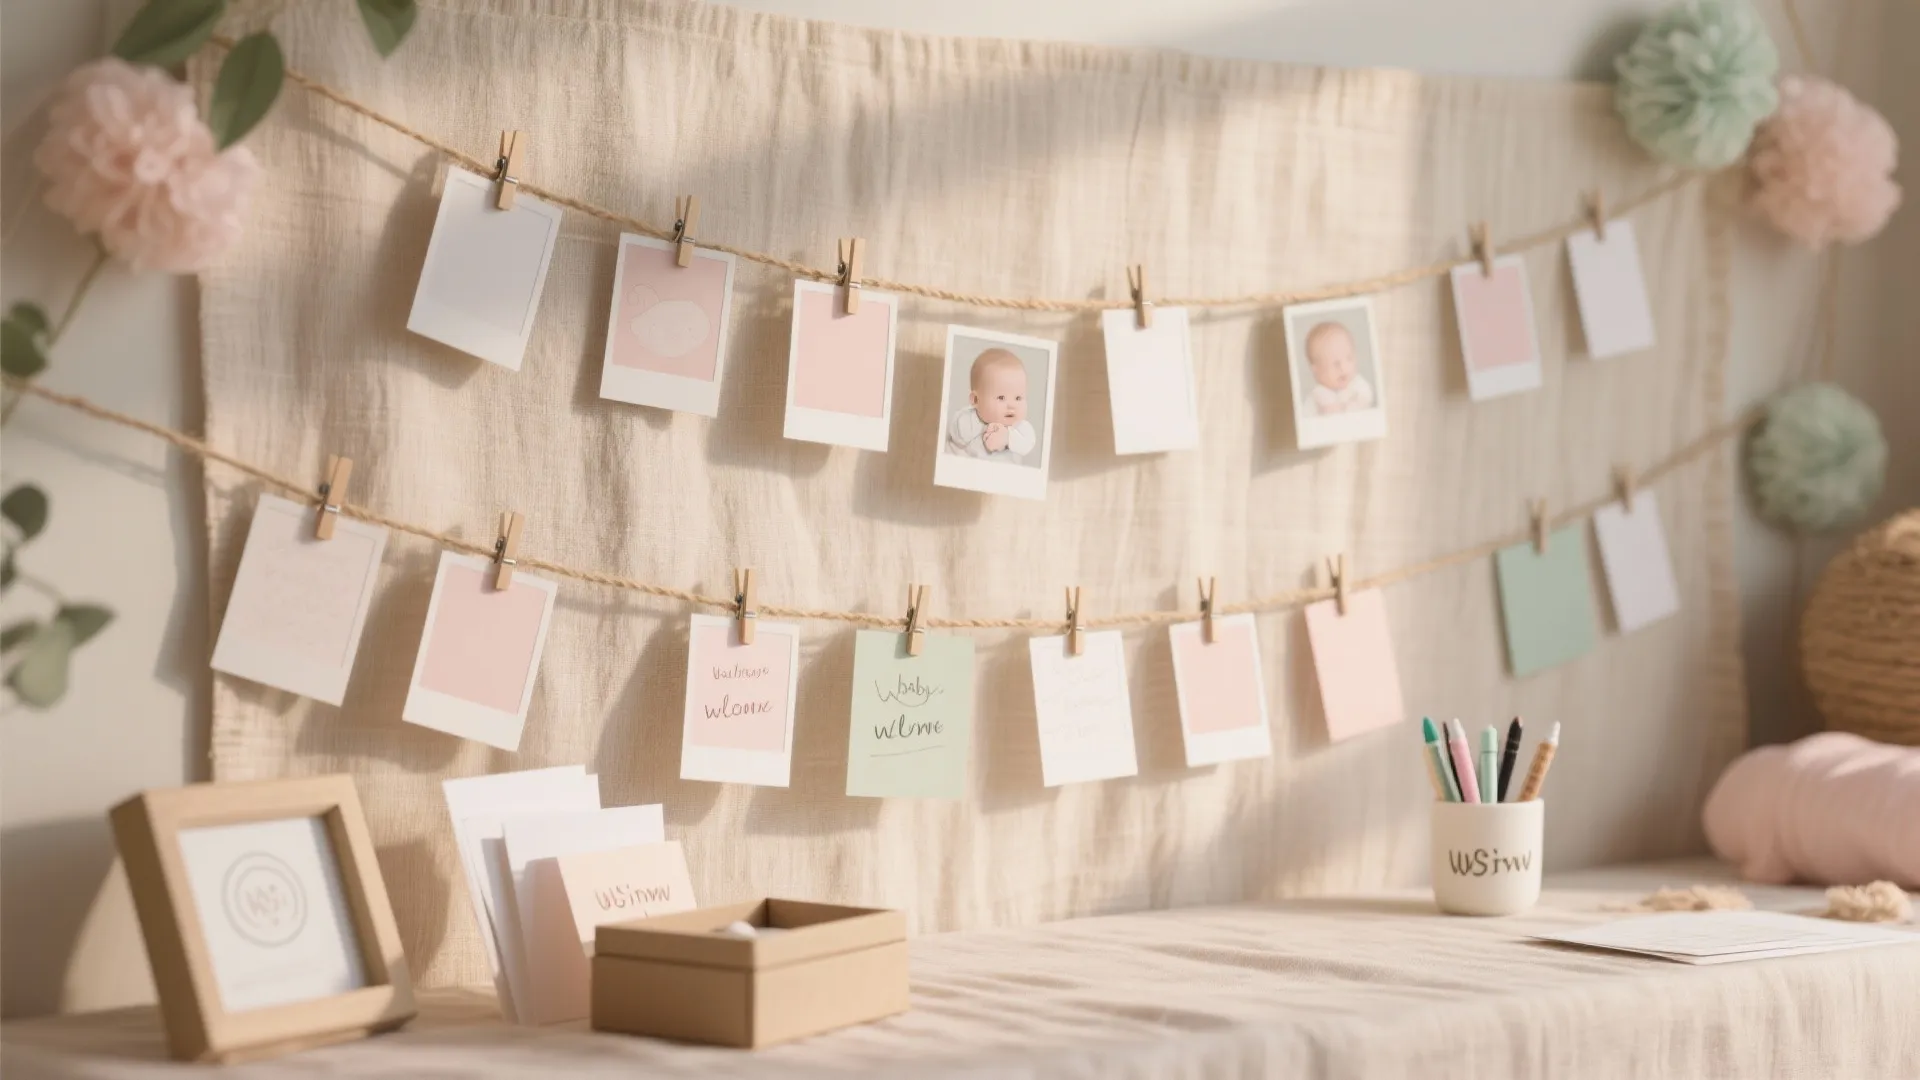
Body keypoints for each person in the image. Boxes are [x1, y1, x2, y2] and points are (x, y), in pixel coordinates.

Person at [948, 347, 1036, 462]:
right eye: (1001, 398)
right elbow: (956, 436)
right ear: (975, 400)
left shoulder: (1021, 429)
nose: (1011, 406)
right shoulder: (969, 418)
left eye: (1018, 398)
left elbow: (1027, 445)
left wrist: (1007, 438)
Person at [1299, 320, 1374, 416]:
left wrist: (1349, 407)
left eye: (1349, 358)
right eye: (1336, 364)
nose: (1343, 368)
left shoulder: (1357, 384)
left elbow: (1367, 399)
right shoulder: (1317, 396)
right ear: (1316, 369)